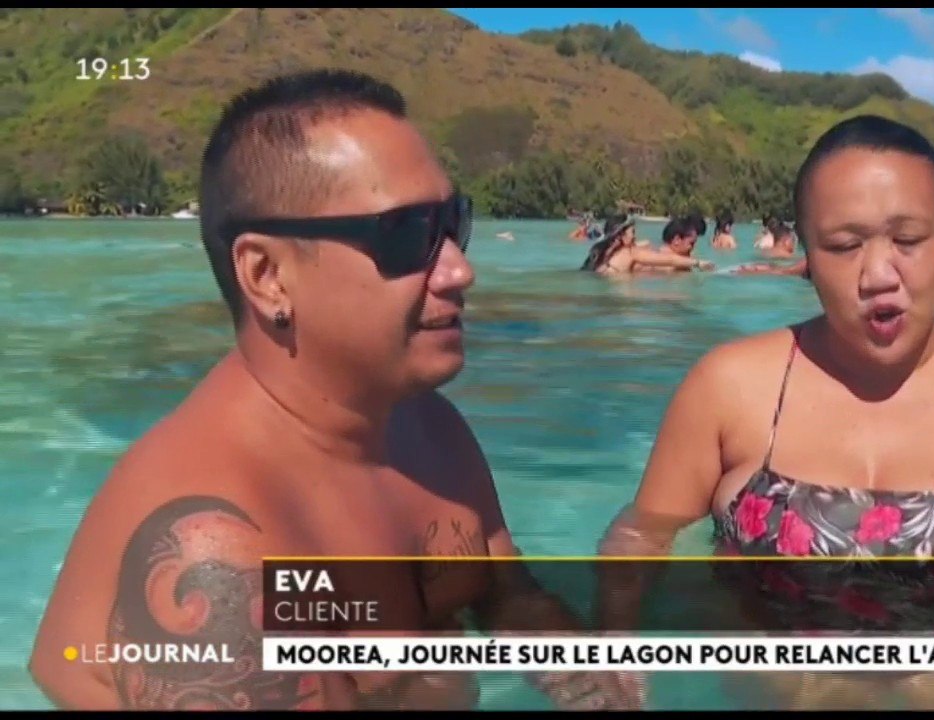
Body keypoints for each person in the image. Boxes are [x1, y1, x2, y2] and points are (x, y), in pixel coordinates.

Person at [28, 69, 640, 711]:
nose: (461, 269)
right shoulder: (217, 553)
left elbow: (504, 594)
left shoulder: (426, 426)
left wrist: (608, 692)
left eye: (453, 221)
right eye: (406, 235)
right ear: (266, 275)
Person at [600, 115, 934, 709]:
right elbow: (642, 533)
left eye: (908, 240)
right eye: (843, 246)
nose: (879, 275)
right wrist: (615, 653)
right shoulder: (729, 386)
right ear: (807, 253)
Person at [580, 215, 712, 274]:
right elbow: (670, 260)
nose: (635, 235)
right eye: (633, 232)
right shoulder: (630, 253)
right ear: (620, 236)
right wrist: (697, 263)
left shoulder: (605, 253)